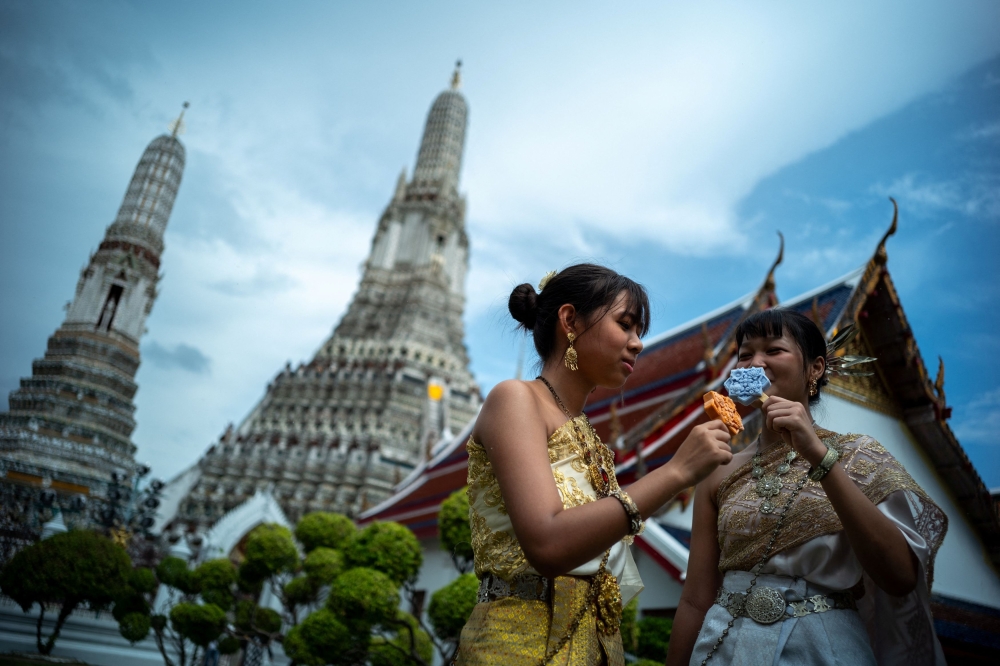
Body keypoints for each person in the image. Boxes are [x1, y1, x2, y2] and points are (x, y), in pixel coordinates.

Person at [456, 264, 734, 666]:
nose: (637, 344)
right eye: (625, 325)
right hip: (517, 646)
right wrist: (675, 473)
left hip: (596, 645)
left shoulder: (589, 434)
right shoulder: (515, 399)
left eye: (640, 332)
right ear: (569, 320)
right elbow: (548, 544)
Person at [667, 308, 947, 666]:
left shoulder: (859, 455)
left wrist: (819, 455)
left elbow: (900, 577)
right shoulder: (720, 471)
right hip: (723, 646)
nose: (755, 363)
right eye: (745, 354)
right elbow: (694, 599)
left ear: (815, 368)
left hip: (824, 647)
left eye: (773, 350)